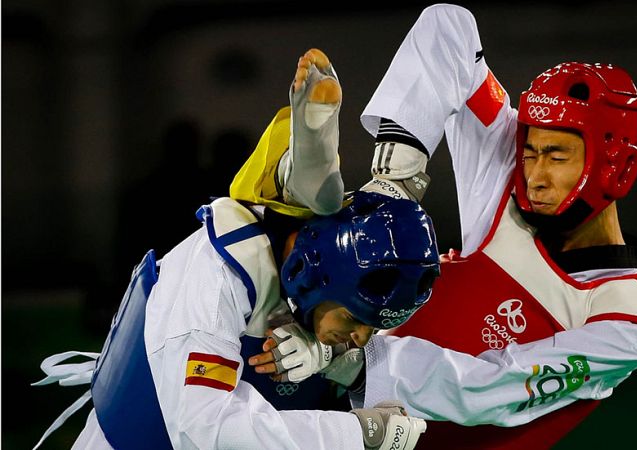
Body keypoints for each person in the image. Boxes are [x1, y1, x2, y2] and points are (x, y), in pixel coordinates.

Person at [262, 5, 637, 449]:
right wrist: (395, 179)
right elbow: (448, 26)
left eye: (557, 157)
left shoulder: (633, 318)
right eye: (529, 152)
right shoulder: (512, 181)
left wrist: (349, 364)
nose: (535, 176)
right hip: (335, 416)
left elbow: (494, 387)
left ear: (617, 166)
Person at [33, 49, 437, 450]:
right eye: (353, 319)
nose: (362, 337)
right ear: (313, 275)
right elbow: (203, 431)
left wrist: (330, 362)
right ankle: (311, 139)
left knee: (323, 203)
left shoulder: (325, 268)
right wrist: (356, 434)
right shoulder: (215, 281)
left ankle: (311, 138)